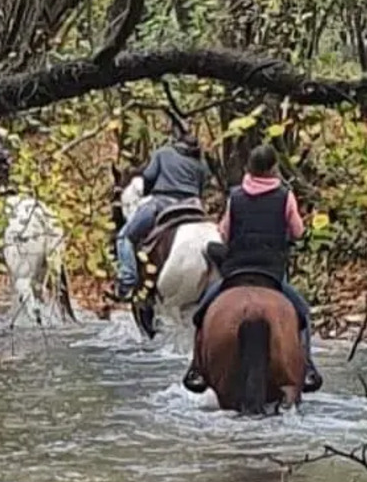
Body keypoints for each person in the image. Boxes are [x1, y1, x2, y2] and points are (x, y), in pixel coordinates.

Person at [183, 143, 322, 394]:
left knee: (203, 310)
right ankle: (309, 367)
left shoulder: (235, 196)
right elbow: (298, 231)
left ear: (249, 167)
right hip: (271, 272)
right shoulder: (285, 195)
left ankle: (196, 368)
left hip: (237, 269)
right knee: (302, 313)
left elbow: (224, 233)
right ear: (273, 168)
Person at [110, 129, 211, 301]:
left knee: (125, 237)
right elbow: (202, 190)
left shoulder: (163, 153)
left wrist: (148, 191)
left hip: (161, 203)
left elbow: (148, 178)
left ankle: (127, 280)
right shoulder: (200, 165)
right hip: (194, 207)